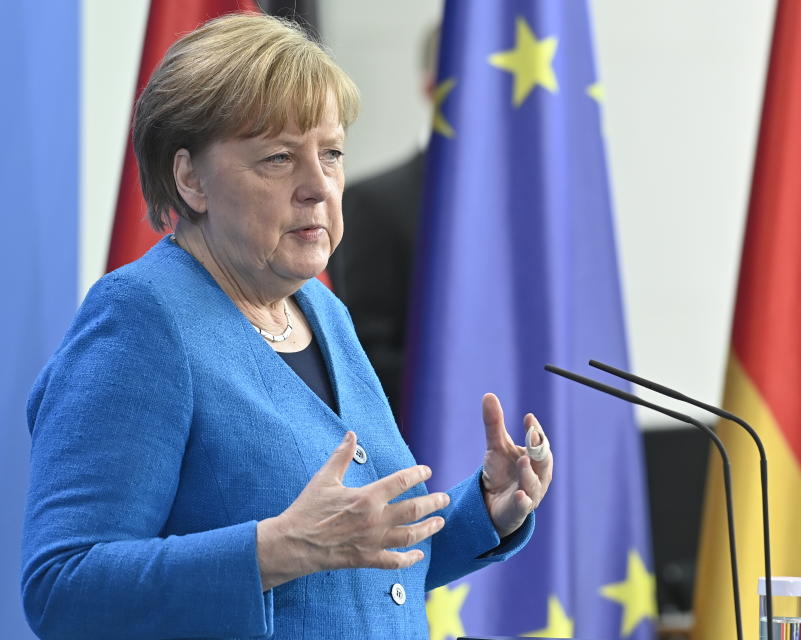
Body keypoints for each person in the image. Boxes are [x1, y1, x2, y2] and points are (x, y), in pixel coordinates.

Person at [21, 14, 553, 640]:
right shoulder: (141, 320)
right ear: (191, 179)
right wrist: (276, 549)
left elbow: (356, 573)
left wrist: (488, 508)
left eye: (330, 154)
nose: (318, 187)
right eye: (278, 158)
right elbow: (62, 588)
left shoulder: (320, 309)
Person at [328, 25, 438, 422]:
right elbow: (366, 355)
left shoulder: (534, 215)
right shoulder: (376, 202)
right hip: (423, 451)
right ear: (432, 88)